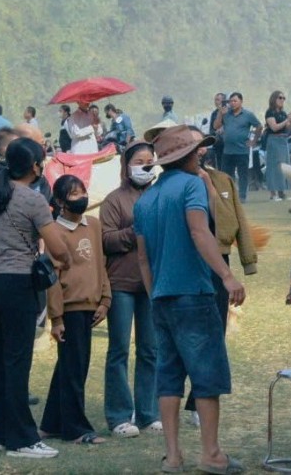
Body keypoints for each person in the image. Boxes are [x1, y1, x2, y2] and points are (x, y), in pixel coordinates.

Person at [134, 125, 246, 475]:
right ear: (184, 156)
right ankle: (211, 454)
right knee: (206, 376)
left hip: (162, 298)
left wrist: (154, 295)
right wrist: (226, 276)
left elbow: (142, 258)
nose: (202, 154)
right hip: (195, 294)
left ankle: (173, 456)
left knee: (168, 377)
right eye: (198, 150)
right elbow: (200, 231)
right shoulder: (193, 186)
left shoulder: (145, 199)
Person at [0, 138, 71, 458]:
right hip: (17, 285)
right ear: (35, 166)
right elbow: (57, 248)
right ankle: (23, 440)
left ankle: (0, 434)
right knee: (17, 362)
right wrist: (64, 259)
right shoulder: (33, 200)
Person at [185, 130, 258, 427]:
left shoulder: (223, 180)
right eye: (195, 147)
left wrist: (248, 261)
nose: (201, 152)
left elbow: (233, 220)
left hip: (219, 260)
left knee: (216, 331)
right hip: (187, 261)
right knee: (186, 333)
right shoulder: (175, 183)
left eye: (203, 146)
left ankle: (197, 402)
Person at [39, 175, 111, 445]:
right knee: (74, 369)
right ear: (59, 201)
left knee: (70, 366)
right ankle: (76, 429)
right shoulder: (54, 232)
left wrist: (105, 299)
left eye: (82, 191)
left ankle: (52, 423)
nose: (81, 197)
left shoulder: (93, 224)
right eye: (73, 194)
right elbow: (52, 280)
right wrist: (56, 319)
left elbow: (100, 264)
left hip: (91, 305)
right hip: (69, 309)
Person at [100, 141, 160, 438]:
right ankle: (119, 416)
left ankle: (149, 413)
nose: (146, 165)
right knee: (119, 350)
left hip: (153, 286)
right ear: (127, 166)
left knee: (150, 350)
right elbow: (107, 240)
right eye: (140, 160)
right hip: (121, 284)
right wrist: (137, 228)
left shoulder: (160, 194)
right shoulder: (114, 200)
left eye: (150, 160)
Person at [218, 92, 262, 202]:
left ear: (241, 102)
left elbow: (259, 126)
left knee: (243, 174)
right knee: (226, 175)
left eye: (235, 101)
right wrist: (220, 114)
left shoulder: (248, 115)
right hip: (227, 150)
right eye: (231, 101)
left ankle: (242, 196)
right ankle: (227, 196)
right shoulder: (226, 114)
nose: (232, 103)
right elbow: (216, 126)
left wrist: (253, 141)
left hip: (242, 150)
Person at [263, 90, 291, 201]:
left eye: (283, 98)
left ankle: (282, 193)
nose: (282, 100)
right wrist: (287, 120)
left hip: (283, 140)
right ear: (274, 99)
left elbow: (287, 129)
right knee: (274, 166)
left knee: (284, 166)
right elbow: (274, 127)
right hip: (274, 140)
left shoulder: (282, 113)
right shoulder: (270, 112)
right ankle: (273, 194)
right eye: (280, 98)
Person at [208, 93, 228, 169]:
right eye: (215, 100)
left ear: (224, 101)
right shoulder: (214, 113)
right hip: (218, 143)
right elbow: (212, 129)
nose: (216, 102)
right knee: (219, 165)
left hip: (227, 143)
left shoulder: (229, 112)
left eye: (218, 100)